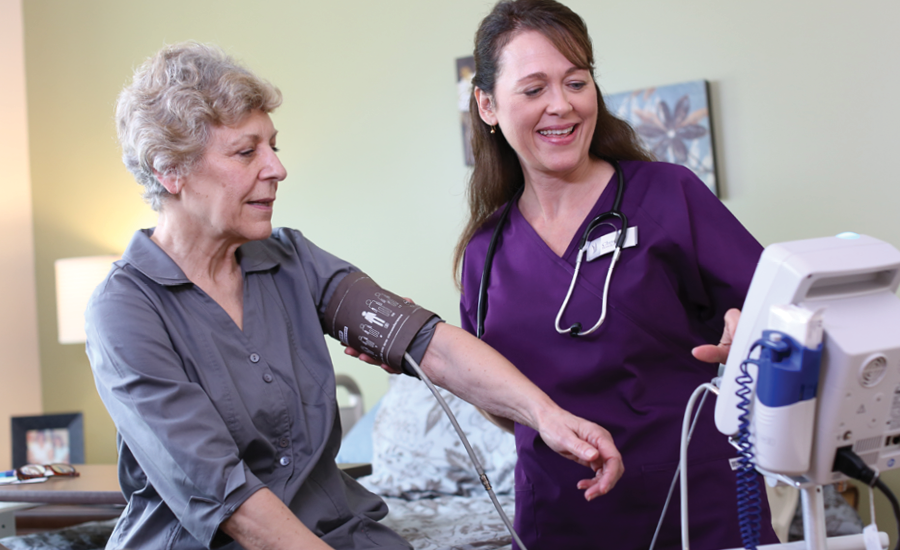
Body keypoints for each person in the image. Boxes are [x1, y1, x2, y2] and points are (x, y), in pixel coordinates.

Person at [85, 42, 623, 550]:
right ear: (170, 170)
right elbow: (229, 500)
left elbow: (426, 341)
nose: (276, 168)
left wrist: (546, 416)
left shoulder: (291, 260)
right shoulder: (126, 309)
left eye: (273, 145)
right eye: (246, 151)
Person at [455, 1, 779, 549]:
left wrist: (746, 326)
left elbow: (779, 312)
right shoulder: (485, 253)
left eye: (576, 82)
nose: (561, 105)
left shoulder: (668, 194)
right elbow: (496, 398)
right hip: (559, 516)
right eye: (534, 89)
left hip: (694, 504)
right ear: (487, 105)